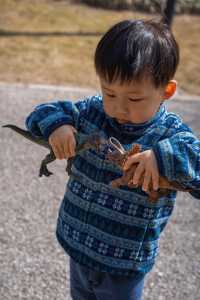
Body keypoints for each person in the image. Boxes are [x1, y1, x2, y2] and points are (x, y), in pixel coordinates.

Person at [25, 19, 200, 300]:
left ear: (165, 91)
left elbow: (197, 168)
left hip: (124, 262)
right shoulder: (91, 112)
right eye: (109, 92)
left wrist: (162, 157)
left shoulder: (171, 134)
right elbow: (41, 112)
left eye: (134, 99)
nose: (118, 107)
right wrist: (58, 126)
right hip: (78, 244)